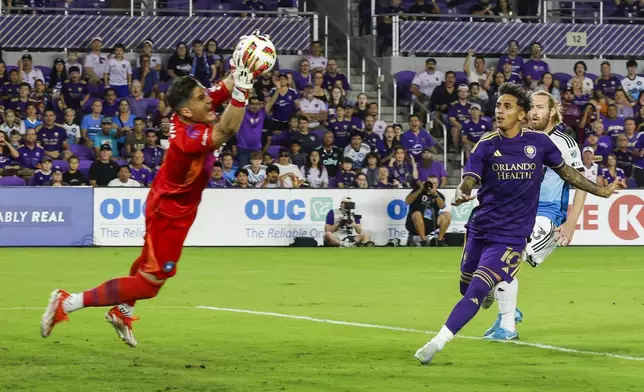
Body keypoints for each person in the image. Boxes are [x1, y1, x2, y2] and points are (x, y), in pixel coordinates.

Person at [41, 34, 259, 347]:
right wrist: (244, 90)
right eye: (202, 99)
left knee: (147, 267)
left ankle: (121, 311)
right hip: (170, 211)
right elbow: (227, 129)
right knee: (151, 283)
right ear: (186, 112)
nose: (209, 100)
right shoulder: (188, 138)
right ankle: (67, 301)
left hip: (170, 202)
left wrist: (240, 68)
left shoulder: (189, 110)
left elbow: (219, 90)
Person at [414, 83, 620, 365]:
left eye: (508, 106)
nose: (500, 111)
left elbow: (571, 175)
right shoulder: (486, 144)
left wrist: (602, 192)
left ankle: (439, 342)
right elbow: (470, 176)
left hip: (513, 234)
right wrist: (463, 189)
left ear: (521, 114)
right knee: (466, 285)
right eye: (499, 106)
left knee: (478, 286)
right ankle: (494, 298)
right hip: (481, 227)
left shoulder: (542, 144)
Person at [482, 91, 588, 340]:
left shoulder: (564, 142)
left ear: (552, 111)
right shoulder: (521, 138)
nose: (534, 112)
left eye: (540, 107)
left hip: (548, 213)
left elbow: (581, 182)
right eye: (531, 108)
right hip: (519, 211)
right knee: (497, 255)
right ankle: (506, 311)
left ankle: (507, 325)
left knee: (509, 257)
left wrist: (571, 223)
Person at [404, 176, 449, 247]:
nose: (432, 185)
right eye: (430, 183)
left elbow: (442, 206)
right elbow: (407, 201)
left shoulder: (439, 195)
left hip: (430, 221)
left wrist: (435, 195)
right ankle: (424, 241)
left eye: (434, 183)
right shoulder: (418, 191)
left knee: (447, 215)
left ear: (437, 184)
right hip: (415, 222)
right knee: (417, 214)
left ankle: (440, 240)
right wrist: (420, 189)